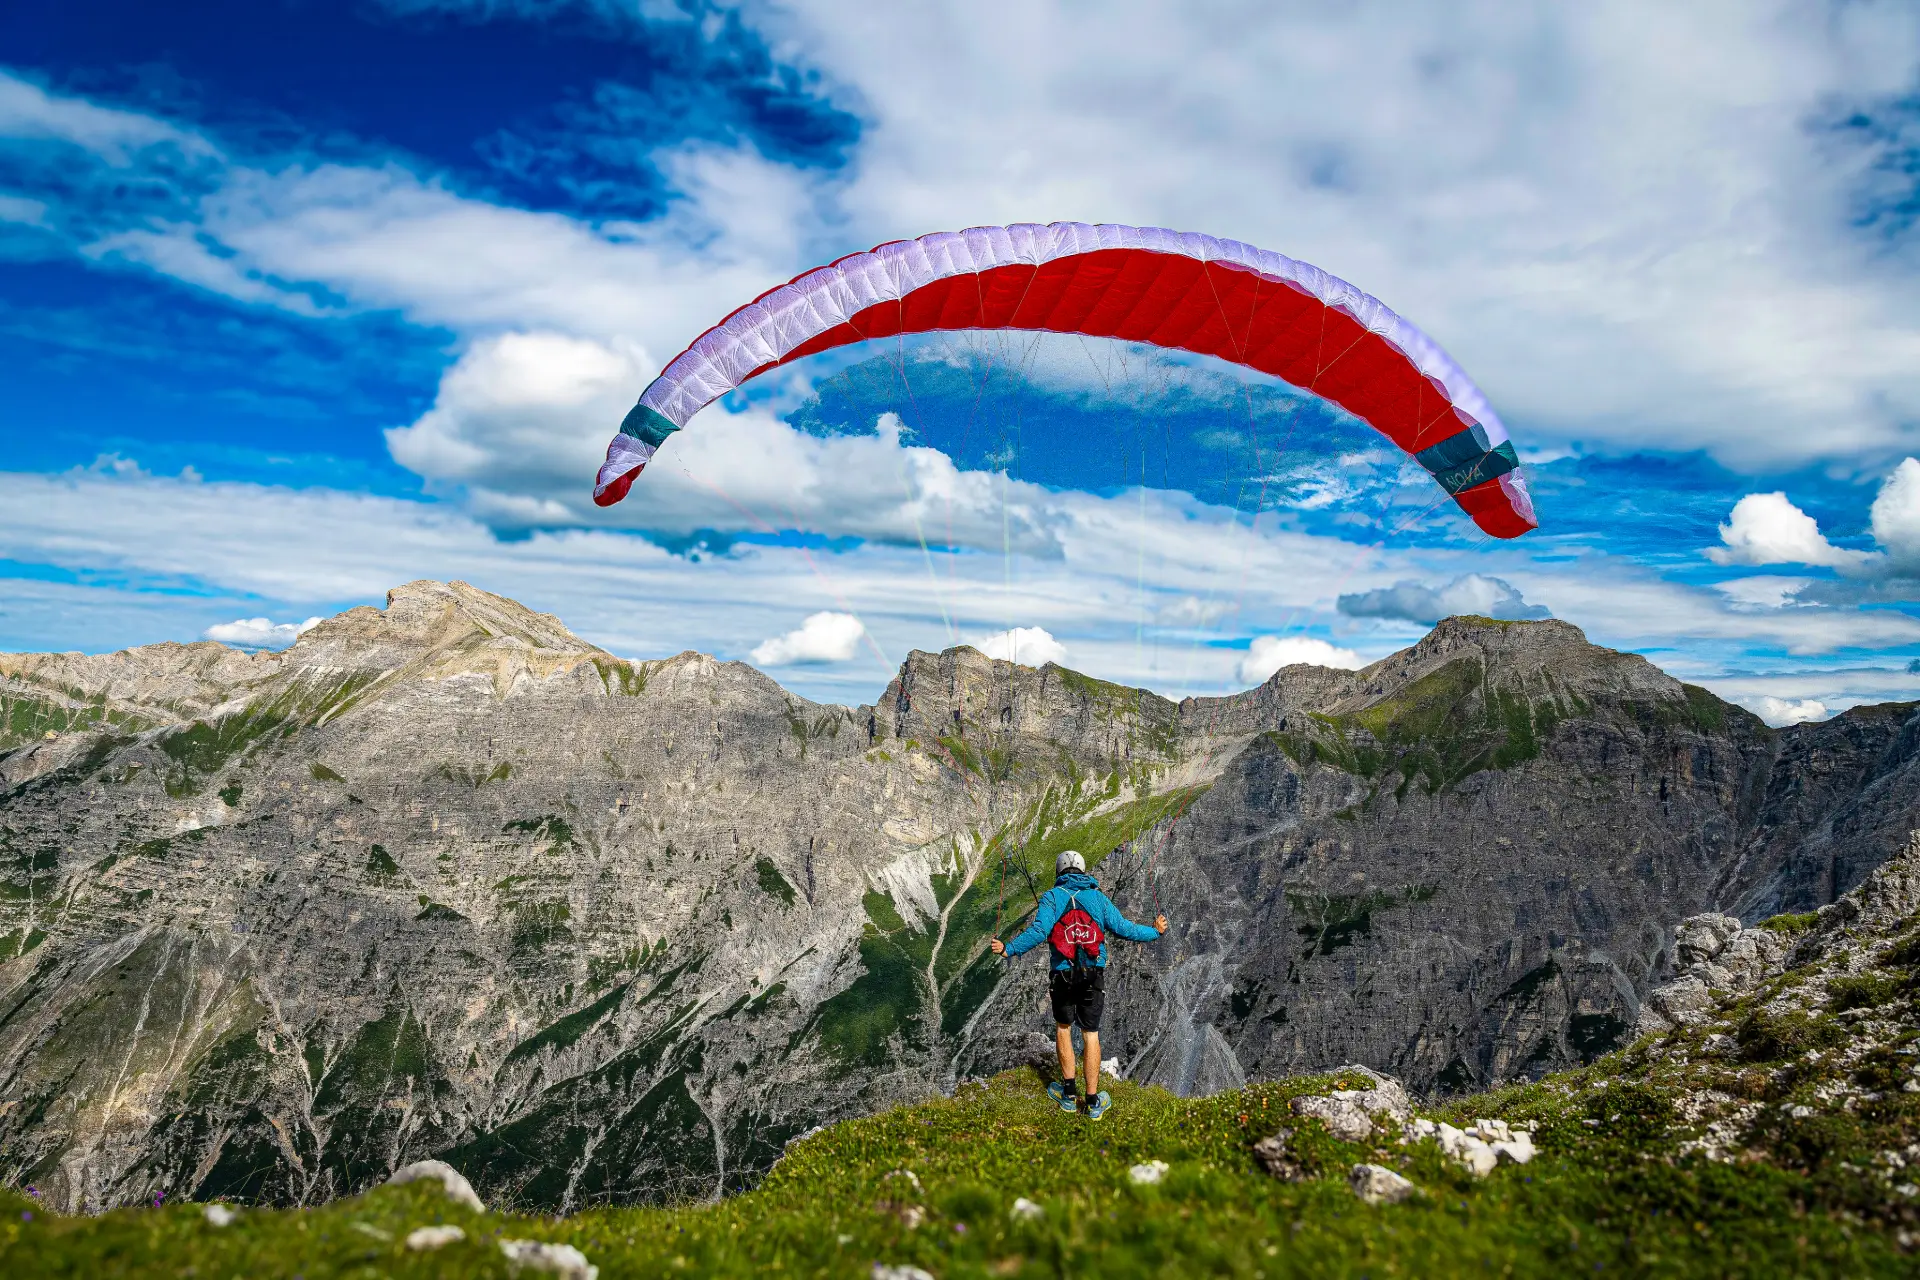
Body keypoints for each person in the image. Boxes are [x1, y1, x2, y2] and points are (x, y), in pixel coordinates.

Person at [990, 850, 1168, 1120]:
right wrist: (1155, 931)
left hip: (1062, 974)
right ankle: (1094, 1102)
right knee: (1091, 1034)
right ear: (1083, 872)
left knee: (1063, 1028)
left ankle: (1069, 1095)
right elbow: (1124, 928)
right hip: (1092, 974)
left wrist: (1009, 949)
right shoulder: (1097, 897)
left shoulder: (1052, 897)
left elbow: (1039, 931)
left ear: (1059, 873)